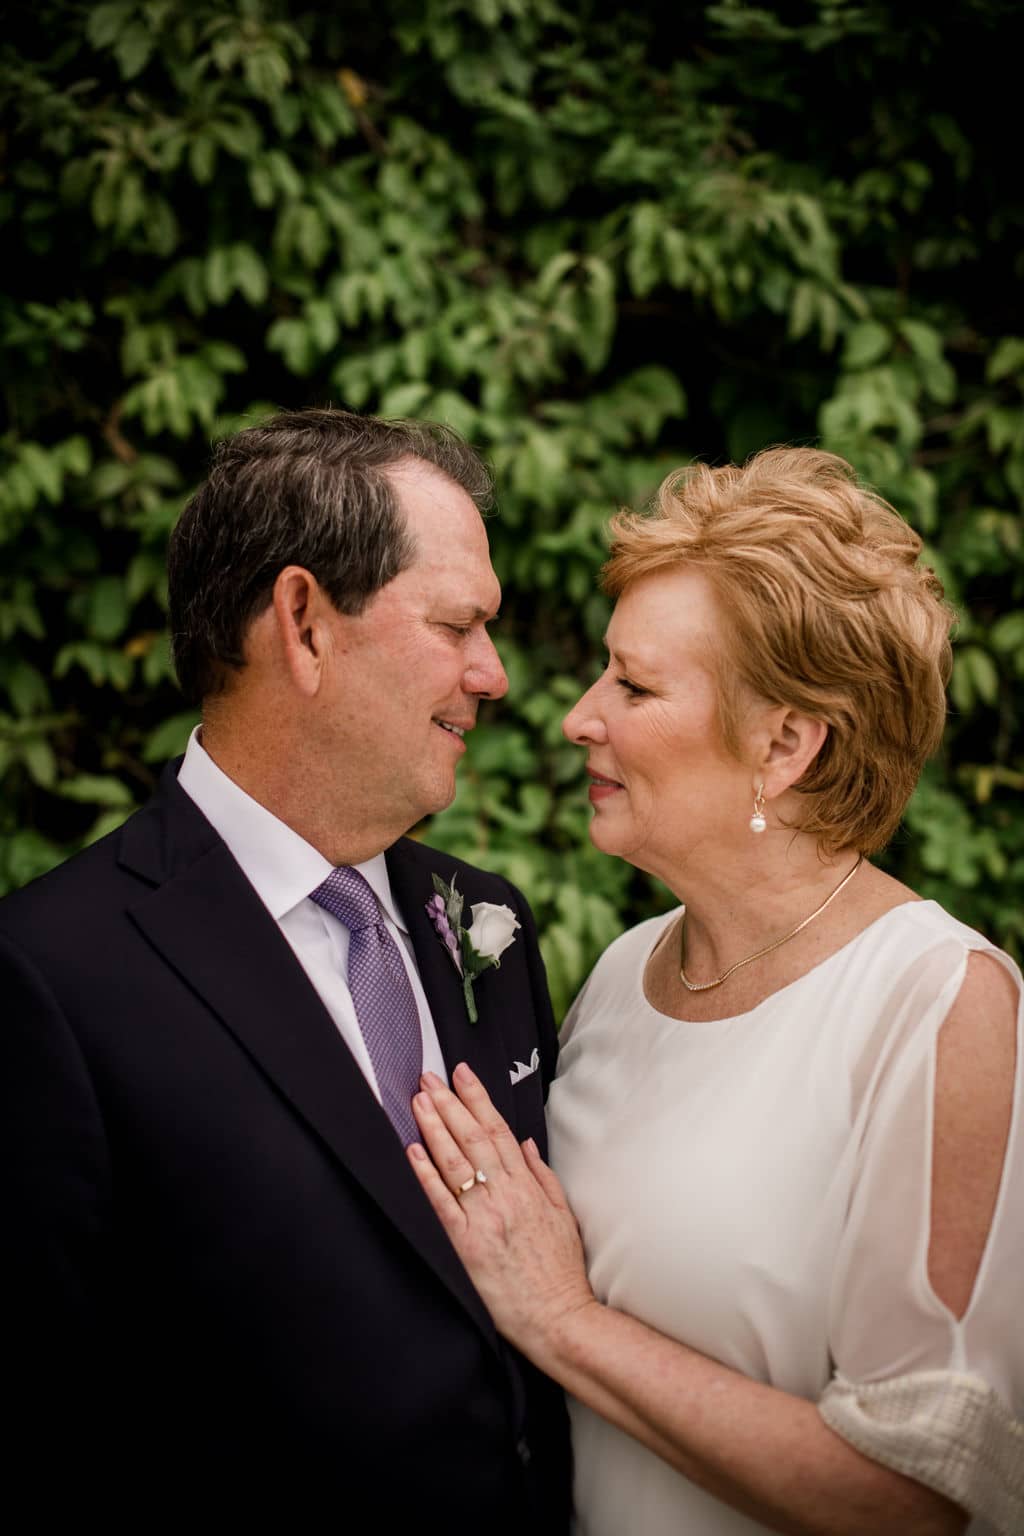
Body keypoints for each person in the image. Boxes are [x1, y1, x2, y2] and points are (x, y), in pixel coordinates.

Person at [407, 446, 1024, 1536]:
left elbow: (910, 1498)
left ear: (784, 743)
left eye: (634, 684)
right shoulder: (620, 972)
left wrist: (561, 1319)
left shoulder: (935, 1002)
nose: (577, 717)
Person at [0, 408, 570, 1527]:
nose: (493, 676)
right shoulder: (47, 980)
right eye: (458, 624)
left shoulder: (487, 925)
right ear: (304, 621)